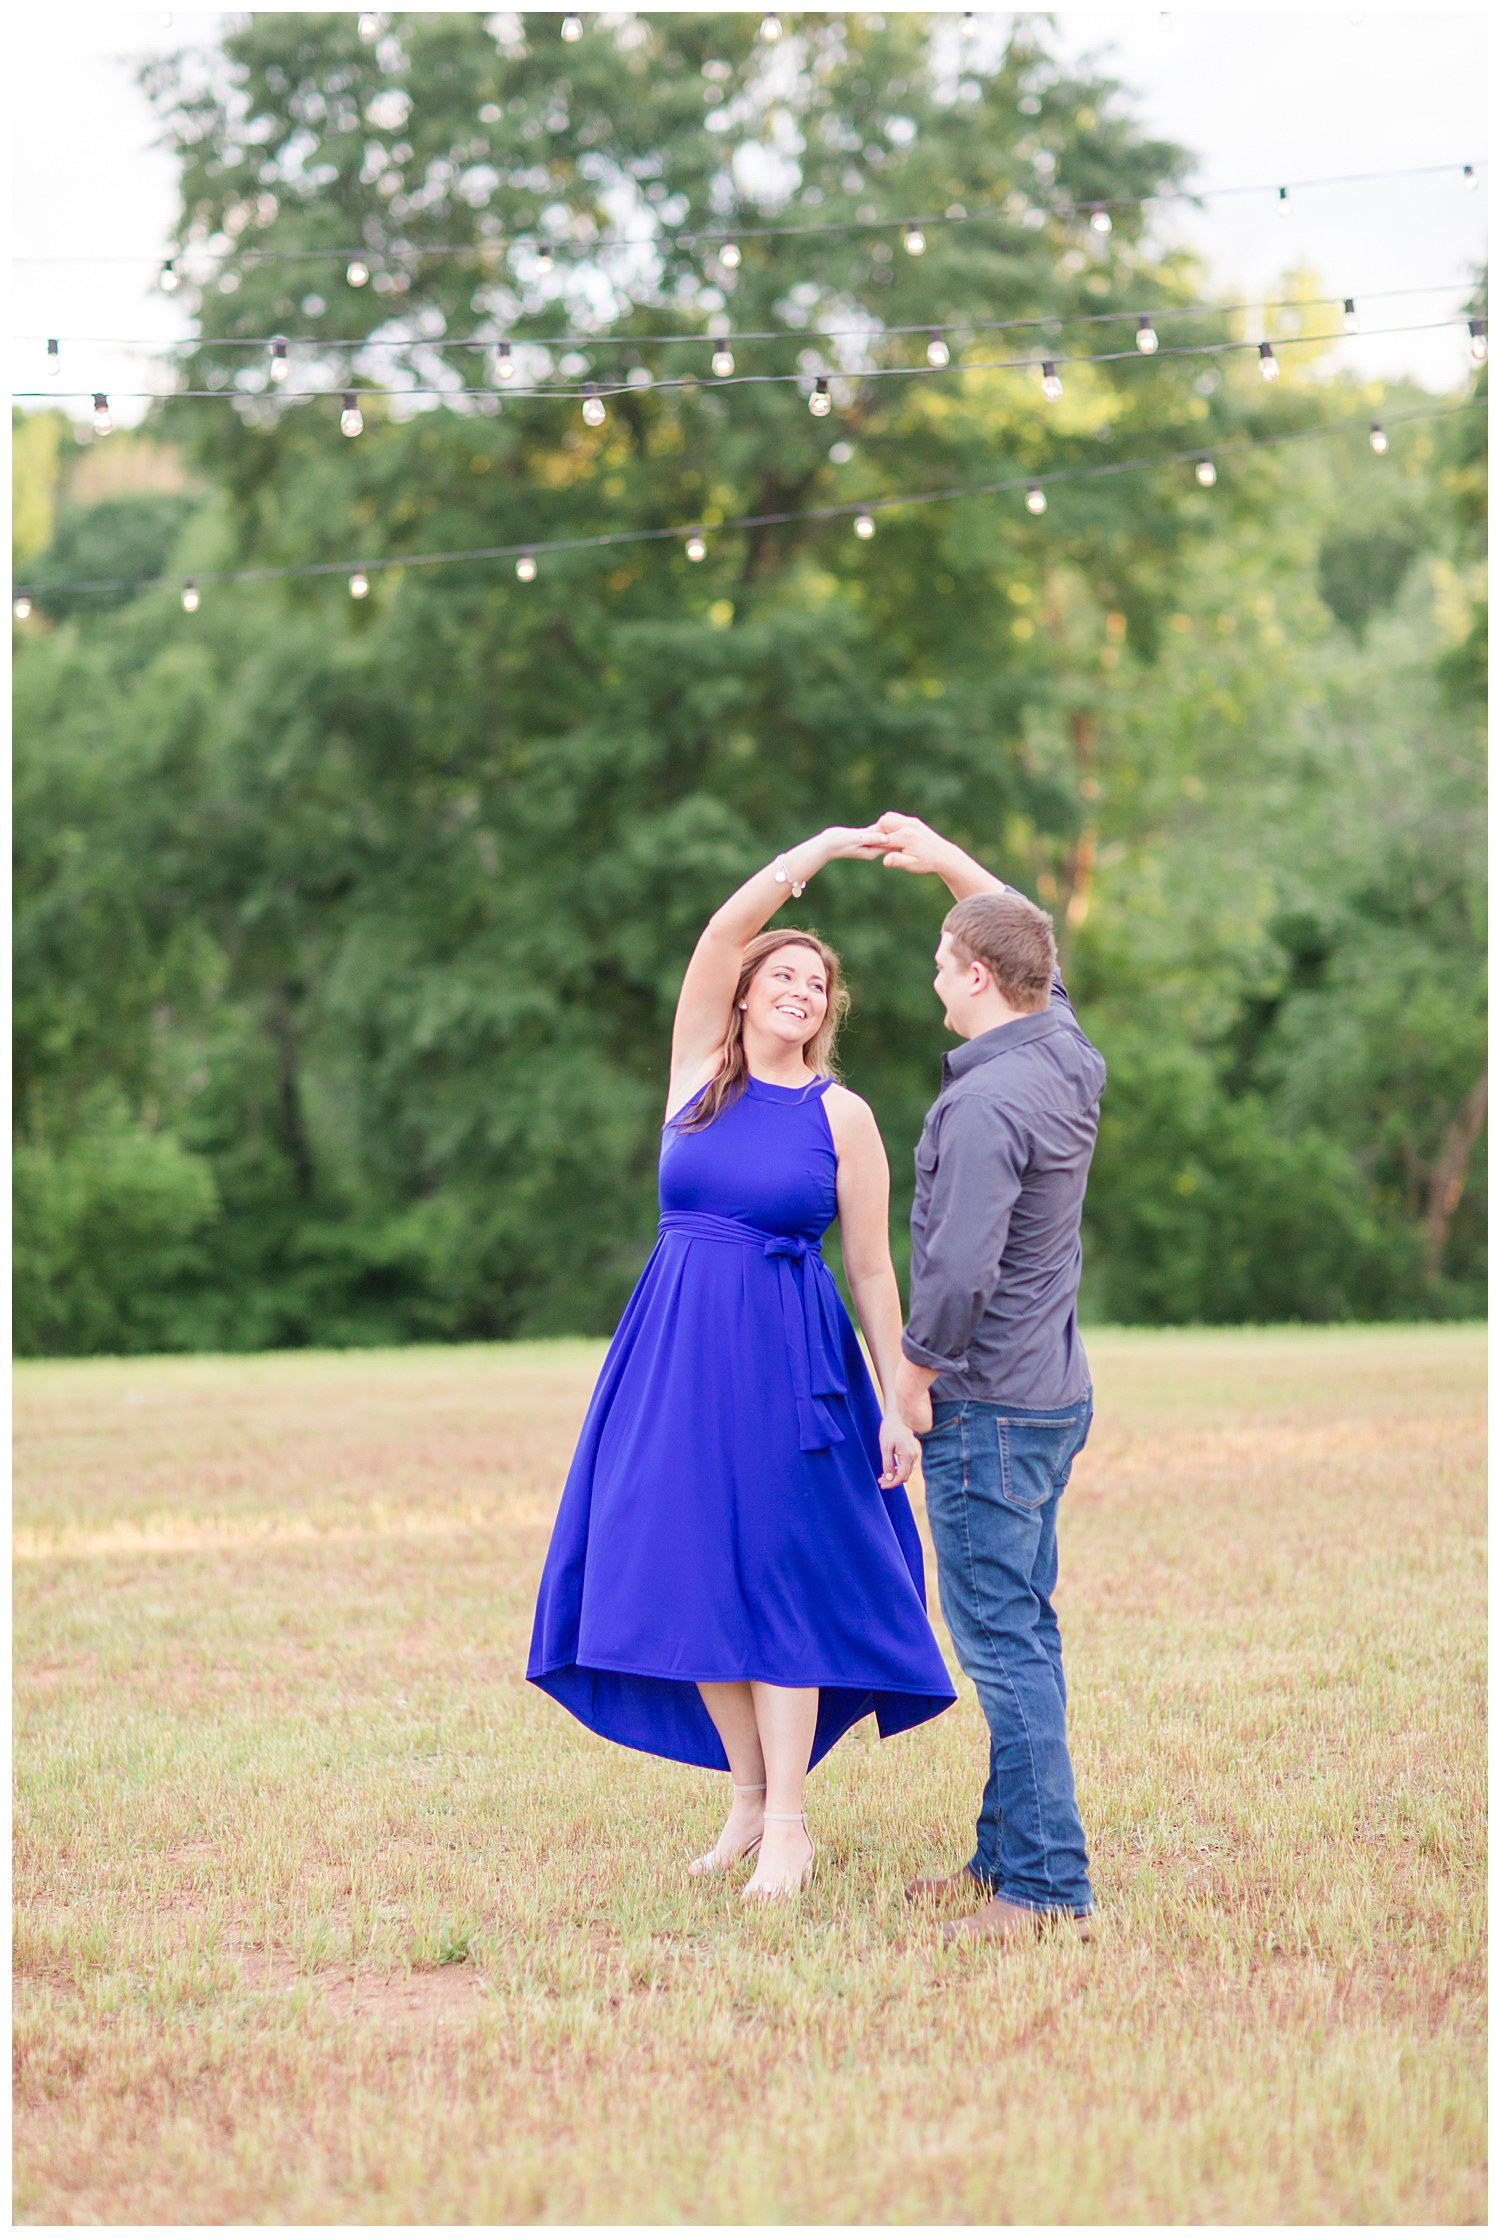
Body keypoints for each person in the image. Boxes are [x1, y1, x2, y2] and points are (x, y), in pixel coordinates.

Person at [527, 826, 957, 1900]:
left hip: (791, 1361)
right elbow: (723, 931)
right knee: (691, 1570)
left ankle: (793, 1828)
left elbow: (868, 1269)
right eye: (785, 975)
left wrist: (899, 1399)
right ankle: (749, 1801)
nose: (802, 990)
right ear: (746, 994)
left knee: (782, 1577)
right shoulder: (695, 1076)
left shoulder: (843, 1117)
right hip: (673, 1351)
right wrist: (818, 851)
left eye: (818, 984)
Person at [875, 811, 1105, 1947]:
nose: (933, 981)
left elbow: (956, 1273)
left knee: (1004, 1646)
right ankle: (1001, 1855)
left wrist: (910, 1381)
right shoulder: (1065, 1051)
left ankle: (1046, 1887)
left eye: (940, 964)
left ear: (974, 977)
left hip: (990, 1409)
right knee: (1027, 1630)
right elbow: (1032, 942)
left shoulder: (981, 1103)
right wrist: (948, 861)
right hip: (1052, 1395)